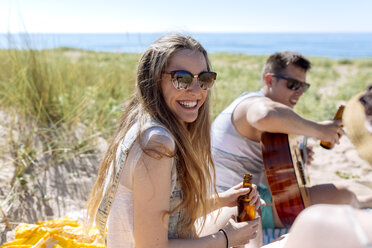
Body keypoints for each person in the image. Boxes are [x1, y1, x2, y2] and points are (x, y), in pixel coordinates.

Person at [85, 34, 261, 248]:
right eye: (182, 79)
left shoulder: (143, 122)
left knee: (243, 211)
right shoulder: (157, 145)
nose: (196, 91)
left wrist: (224, 199)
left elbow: (169, 213)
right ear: (153, 81)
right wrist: (226, 239)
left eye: (204, 79)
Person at [211, 51, 372, 244]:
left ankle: (361, 202)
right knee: (340, 193)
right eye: (293, 85)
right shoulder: (253, 103)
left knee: (338, 194)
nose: (299, 92)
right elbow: (264, 115)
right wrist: (319, 130)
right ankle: (362, 203)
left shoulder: (251, 105)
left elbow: (264, 176)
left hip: (243, 194)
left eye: (303, 86)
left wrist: (295, 159)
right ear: (269, 80)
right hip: (234, 203)